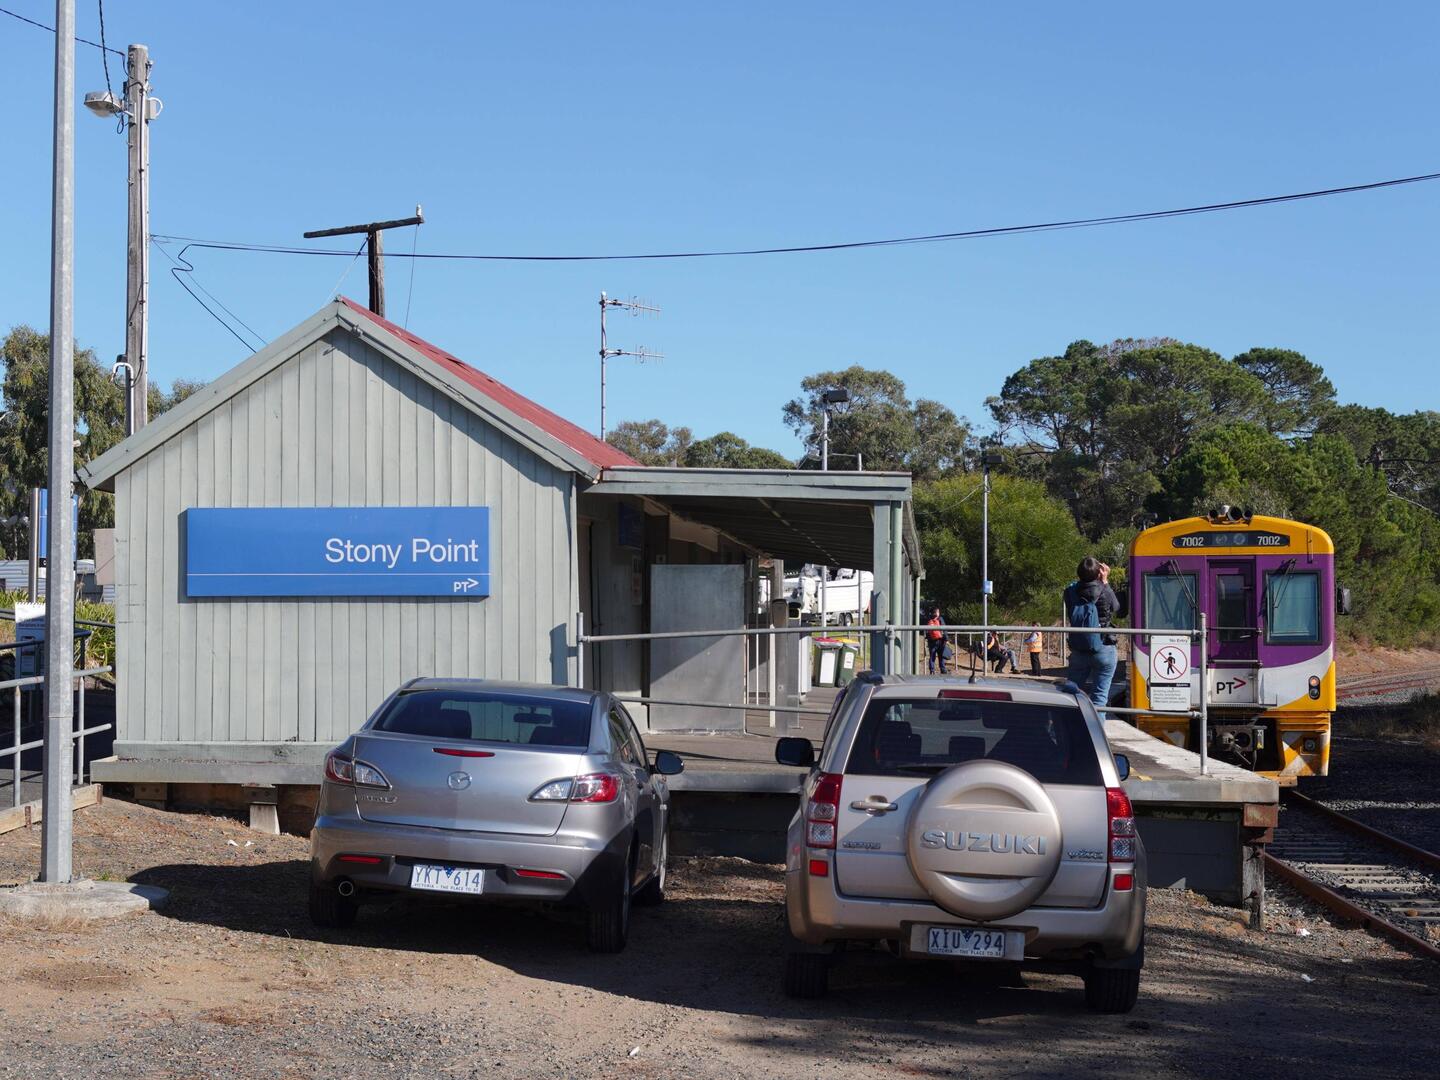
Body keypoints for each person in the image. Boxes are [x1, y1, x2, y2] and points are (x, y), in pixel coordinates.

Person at [1064, 556, 1121, 708]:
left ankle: (1070, 730)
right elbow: (1116, 607)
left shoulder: (1070, 592)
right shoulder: (1104, 590)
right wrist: (1105, 581)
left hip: (1079, 647)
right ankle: (1096, 731)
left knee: (1071, 696)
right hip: (1104, 647)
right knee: (1099, 698)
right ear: (1099, 573)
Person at [924, 605, 948, 675]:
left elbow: (927, 631)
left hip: (932, 641)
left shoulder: (929, 619)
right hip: (940, 641)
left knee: (932, 656)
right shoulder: (940, 619)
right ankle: (943, 669)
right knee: (941, 656)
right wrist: (946, 639)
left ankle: (932, 670)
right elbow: (944, 629)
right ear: (937, 612)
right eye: (938, 611)